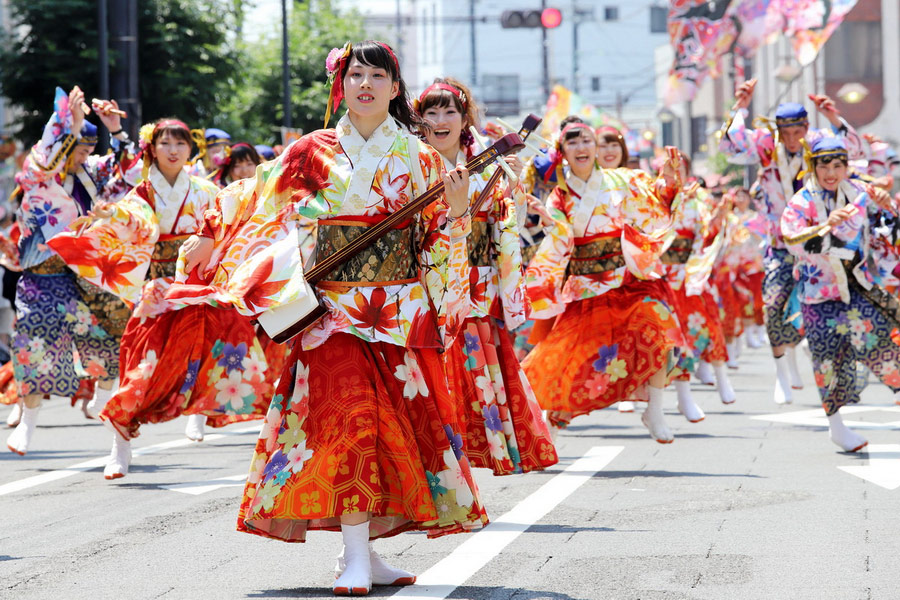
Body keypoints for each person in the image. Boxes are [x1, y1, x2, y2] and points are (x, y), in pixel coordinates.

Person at [167, 40, 488, 596]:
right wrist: (210, 232)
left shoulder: (418, 156)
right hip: (329, 312)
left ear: (395, 87)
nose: (365, 84)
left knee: (391, 433)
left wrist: (457, 213)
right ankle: (358, 556)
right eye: (354, 74)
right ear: (341, 85)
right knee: (350, 424)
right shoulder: (309, 150)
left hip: (392, 311)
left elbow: (436, 235)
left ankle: (358, 551)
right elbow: (255, 196)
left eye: (377, 75)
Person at [48, 118, 277, 478]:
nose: (173, 150)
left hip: (197, 285)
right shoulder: (143, 194)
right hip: (156, 288)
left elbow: (235, 221)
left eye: (181, 144)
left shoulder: (204, 190)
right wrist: (108, 215)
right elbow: (130, 219)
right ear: (151, 149)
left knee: (216, 350)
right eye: (166, 143)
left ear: (191, 149)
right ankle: (120, 442)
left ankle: (203, 415)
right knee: (142, 364)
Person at [415, 76, 557, 475]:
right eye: (431, 112)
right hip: (425, 288)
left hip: (475, 289)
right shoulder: (407, 163)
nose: (440, 120)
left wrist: (511, 190)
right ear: (418, 119)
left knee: (474, 381)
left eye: (450, 112)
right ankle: (444, 468)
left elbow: (503, 228)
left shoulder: (489, 166)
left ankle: (461, 468)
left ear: (465, 119)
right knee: (435, 382)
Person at [521, 118, 683, 443]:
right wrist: (552, 221)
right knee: (564, 360)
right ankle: (548, 426)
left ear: (595, 147)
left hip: (626, 280)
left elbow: (655, 204)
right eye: (573, 143)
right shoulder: (559, 197)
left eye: (586, 141)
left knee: (659, 323)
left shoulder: (623, 179)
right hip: (586, 287)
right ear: (562, 152)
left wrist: (667, 181)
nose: (581, 148)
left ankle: (656, 409)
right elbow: (559, 239)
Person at [719, 81, 865, 405]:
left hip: (820, 244)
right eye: (785, 130)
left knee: (831, 308)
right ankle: (782, 374)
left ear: (806, 126)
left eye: (796, 129)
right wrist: (740, 106)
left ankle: (836, 374)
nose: (791, 137)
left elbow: (855, 150)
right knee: (773, 306)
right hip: (781, 243)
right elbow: (730, 146)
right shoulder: (766, 145)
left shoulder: (818, 144)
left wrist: (834, 117)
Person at [6, 87, 130, 455]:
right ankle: (27, 424)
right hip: (40, 275)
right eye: (77, 146)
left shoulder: (92, 173)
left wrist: (116, 131)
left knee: (109, 345)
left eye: (89, 148)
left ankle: (100, 398)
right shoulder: (36, 172)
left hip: (86, 276)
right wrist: (70, 125)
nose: (83, 154)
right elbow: (45, 161)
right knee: (33, 341)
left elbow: (132, 170)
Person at [781, 138, 900, 451]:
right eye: (824, 165)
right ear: (814, 167)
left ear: (847, 167)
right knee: (828, 360)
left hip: (858, 282)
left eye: (838, 166)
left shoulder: (861, 193)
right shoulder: (801, 201)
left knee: (876, 335)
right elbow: (792, 239)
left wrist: (887, 204)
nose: (831, 173)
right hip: (819, 290)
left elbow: (884, 225)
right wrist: (823, 227)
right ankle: (836, 427)